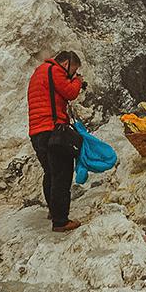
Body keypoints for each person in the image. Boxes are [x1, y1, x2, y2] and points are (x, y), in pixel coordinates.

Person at [27, 51, 84, 233]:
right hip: (53, 129)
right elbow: (70, 92)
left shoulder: (39, 72)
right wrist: (78, 81)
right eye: (72, 71)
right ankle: (61, 221)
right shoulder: (54, 70)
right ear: (66, 63)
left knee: (50, 172)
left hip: (37, 131)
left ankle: (54, 211)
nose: (71, 75)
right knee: (61, 174)